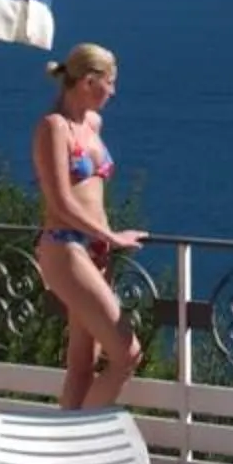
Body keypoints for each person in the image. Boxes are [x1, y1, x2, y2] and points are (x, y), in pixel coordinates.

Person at [31, 42, 147, 409]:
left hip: (93, 250)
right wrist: (110, 235)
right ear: (87, 81)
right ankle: (82, 440)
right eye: (109, 83)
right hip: (65, 247)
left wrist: (104, 241)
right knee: (127, 354)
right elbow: (60, 202)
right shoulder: (54, 128)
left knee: (83, 365)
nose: (112, 92)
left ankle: (64, 460)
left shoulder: (92, 123)